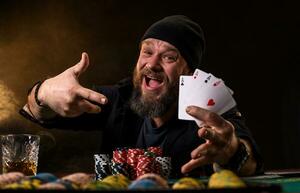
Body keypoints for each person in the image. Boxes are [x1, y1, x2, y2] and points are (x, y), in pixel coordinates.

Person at [20, 15, 263, 177]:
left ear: (189, 71)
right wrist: (43, 93)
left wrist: (233, 152)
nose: (152, 64)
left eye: (169, 57)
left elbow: (250, 161)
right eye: (147, 52)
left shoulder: (210, 112)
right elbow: (35, 112)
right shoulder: (117, 99)